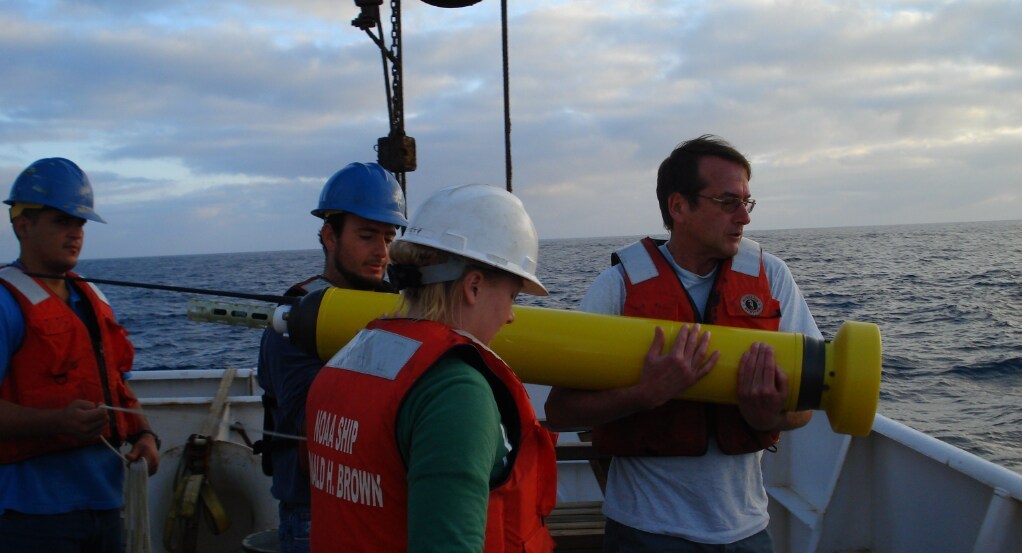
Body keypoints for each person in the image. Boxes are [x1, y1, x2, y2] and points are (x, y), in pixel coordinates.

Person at [545, 135, 821, 552]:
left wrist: (770, 417)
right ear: (679, 207)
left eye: (748, 202)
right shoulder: (619, 286)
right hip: (645, 532)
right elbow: (560, 411)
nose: (744, 217)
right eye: (728, 202)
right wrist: (645, 394)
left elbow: (806, 406)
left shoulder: (773, 277)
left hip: (747, 531)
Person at [305, 184, 558, 552]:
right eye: (512, 297)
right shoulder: (455, 392)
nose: (510, 317)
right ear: (473, 286)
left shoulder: (348, 360)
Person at [0, 157, 160, 552]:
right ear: (23, 225)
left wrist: (144, 432)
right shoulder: (5, 303)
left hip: (107, 502)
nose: (75, 233)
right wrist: (57, 420)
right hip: (31, 516)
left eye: (81, 223)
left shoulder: (90, 298)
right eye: (61, 221)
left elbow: (116, 381)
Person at [256, 162, 408, 553]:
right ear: (329, 236)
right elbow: (317, 419)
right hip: (315, 513)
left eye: (389, 238)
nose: (382, 252)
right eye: (367, 236)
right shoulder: (293, 319)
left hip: (385, 502)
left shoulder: (399, 306)